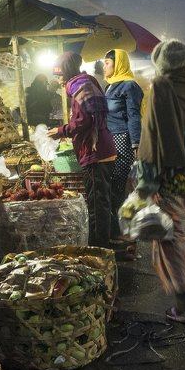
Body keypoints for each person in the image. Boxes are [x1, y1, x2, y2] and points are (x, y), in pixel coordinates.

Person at [133, 39, 185, 325]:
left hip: (173, 177)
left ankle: (183, 307)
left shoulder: (162, 89)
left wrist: (145, 183)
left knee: (169, 241)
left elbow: (150, 139)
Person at [51, 51, 117, 248]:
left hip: (95, 152)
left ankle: (100, 247)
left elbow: (82, 120)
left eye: (60, 75)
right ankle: (106, 240)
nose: (59, 80)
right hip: (102, 148)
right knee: (102, 199)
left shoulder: (78, 86)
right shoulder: (86, 82)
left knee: (97, 202)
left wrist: (61, 130)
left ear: (68, 70)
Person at [103, 49, 144, 255]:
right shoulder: (109, 87)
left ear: (118, 64)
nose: (104, 67)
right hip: (110, 140)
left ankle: (126, 235)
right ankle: (118, 231)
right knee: (114, 188)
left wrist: (136, 144)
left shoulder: (129, 86)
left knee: (121, 187)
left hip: (123, 140)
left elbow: (134, 116)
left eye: (108, 63)